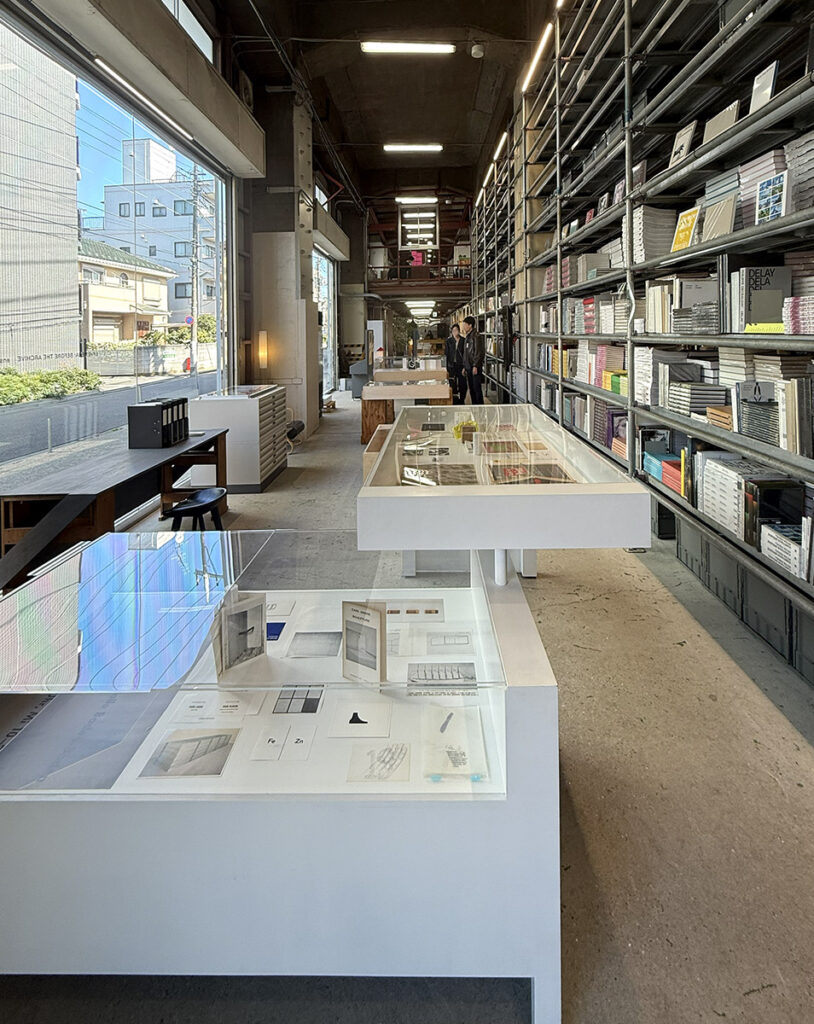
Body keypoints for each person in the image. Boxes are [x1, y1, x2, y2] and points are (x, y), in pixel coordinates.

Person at [461, 315, 484, 405]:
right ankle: (474, 406)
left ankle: (480, 407)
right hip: (468, 366)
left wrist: (475, 365)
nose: (463, 327)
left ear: (470, 325)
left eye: (465, 325)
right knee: (471, 389)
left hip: (474, 367)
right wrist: (464, 366)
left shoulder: (476, 336)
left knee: (476, 388)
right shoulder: (467, 336)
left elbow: (479, 352)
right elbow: (466, 353)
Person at [445, 322, 465, 404]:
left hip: (461, 364)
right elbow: (446, 354)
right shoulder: (449, 341)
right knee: (452, 382)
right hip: (451, 364)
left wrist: (465, 366)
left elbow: (465, 354)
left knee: (462, 383)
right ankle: (454, 398)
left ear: (459, 331)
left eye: (456, 330)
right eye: (453, 331)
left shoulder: (463, 340)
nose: (455, 332)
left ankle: (462, 399)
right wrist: (446, 366)